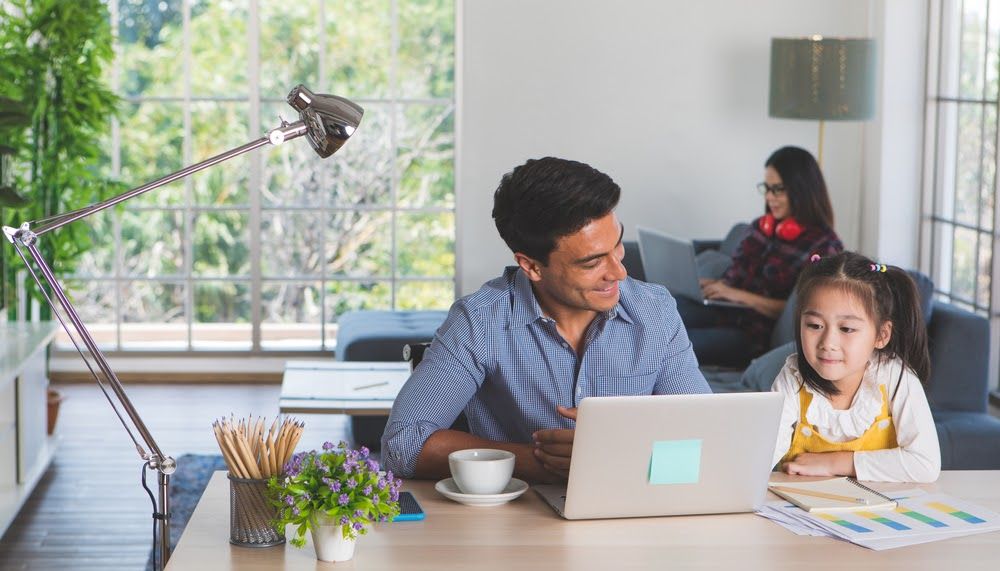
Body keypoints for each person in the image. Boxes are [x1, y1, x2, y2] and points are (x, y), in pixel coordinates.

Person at [381, 157, 711, 482]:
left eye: (618, 245)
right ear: (532, 266)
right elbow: (403, 445)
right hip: (518, 519)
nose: (619, 272)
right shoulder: (480, 321)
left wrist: (612, 453)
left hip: (637, 512)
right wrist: (537, 460)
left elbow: (705, 433)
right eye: (592, 262)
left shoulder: (656, 311)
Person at [770, 252, 940, 483]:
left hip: (876, 511)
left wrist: (837, 463)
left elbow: (925, 464)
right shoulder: (792, 378)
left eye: (847, 329)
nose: (828, 343)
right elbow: (762, 457)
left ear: (882, 335)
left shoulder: (894, 377)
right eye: (815, 325)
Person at [678, 146, 843, 367]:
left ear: (801, 190)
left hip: (750, 336)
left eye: (778, 189)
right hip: (722, 310)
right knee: (663, 311)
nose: (769, 197)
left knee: (675, 345)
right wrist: (717, 286)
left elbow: (801, 312)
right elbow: (737, 275)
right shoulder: (761, 227)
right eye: (766, 188)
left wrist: (736, 295)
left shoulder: (824, 246)